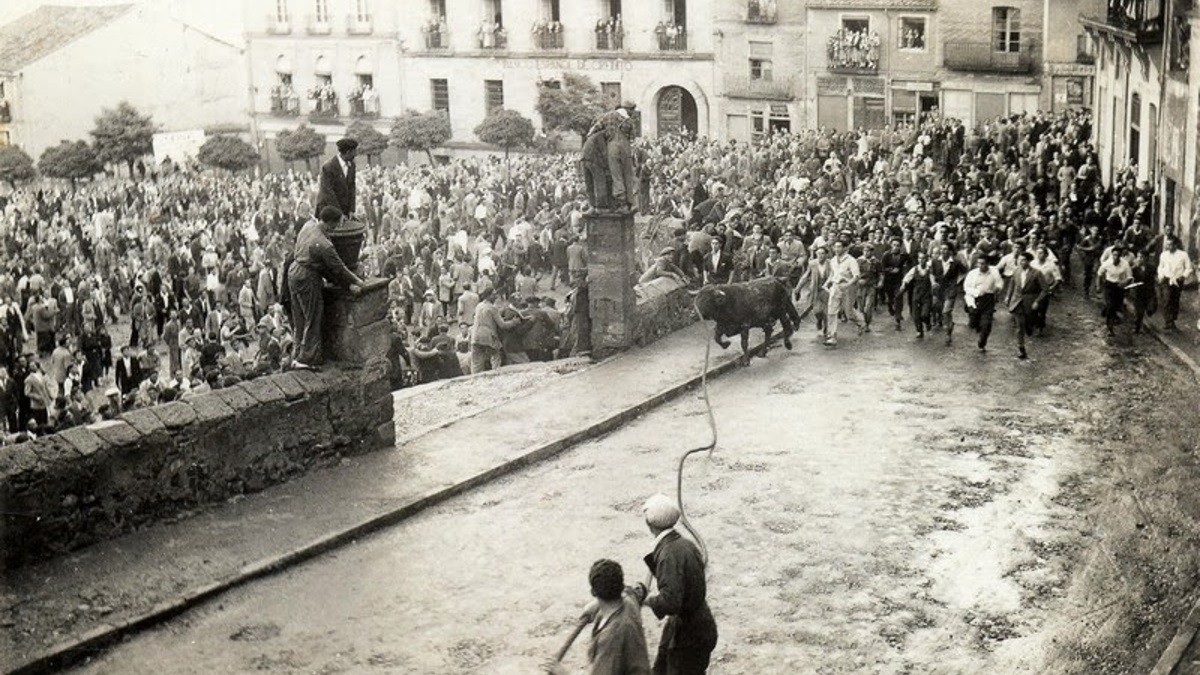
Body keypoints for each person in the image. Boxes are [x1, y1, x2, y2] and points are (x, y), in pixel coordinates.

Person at [636, 494, 718, 675]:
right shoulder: (684, 544)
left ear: (650, 525)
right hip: (692, 627)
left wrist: (646, 599)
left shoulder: (668, 554)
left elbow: (670, 602)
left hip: (688, 636)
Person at [287, 206, 366, 370]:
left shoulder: (308, 226)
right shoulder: (325, 244)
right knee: (314, 315)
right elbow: (340, 268)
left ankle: (297, 352)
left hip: (293, 271)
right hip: (307, 276)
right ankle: (307, 358)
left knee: (299, 316)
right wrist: (358, 281)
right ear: (332, 223)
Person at [543, 559, 652, 675]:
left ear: (593, 592)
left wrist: (563, 673)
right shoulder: (629, 602)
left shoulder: (610, 637)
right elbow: (631, 591)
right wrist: (596, 603)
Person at [1006, 251, 1049, 360]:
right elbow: (1012, 284)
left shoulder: (1037, 273)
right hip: (1017, 301)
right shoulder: (1016, 271)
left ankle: (1030, 327)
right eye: (1019, 260)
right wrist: (1008, 296)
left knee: (1029, 324)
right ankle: (1021, 348)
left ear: (1029, 261)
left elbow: (1045, 290)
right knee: (1019, 326)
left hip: (1030, 302)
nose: (1021, 262)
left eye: (1023, 260)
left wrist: (1037, 301)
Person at [469, 287, 523, 374]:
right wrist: (514, 322)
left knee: (476, 362)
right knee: (495, 356)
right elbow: (502, 325)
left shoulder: (479, 306)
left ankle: (474, 379)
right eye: (493, 294)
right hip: (488, 336)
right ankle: (495, 374)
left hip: (475, 335)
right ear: (488, 296)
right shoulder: (492, 308)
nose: (496, 296)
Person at [963, 255, 1004, 352]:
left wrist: (997, 288)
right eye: (979, 263)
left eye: (983, 263)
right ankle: (976, 324)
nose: (981, 266)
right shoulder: (972, 274)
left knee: (986, 323)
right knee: (974, 322)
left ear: (988, 264)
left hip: (988, 300)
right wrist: (976, 293)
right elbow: (966, 287)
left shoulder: (994, 272)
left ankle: (982, 341)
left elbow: (1000, 283)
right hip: (974, 299)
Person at [316, 138, 359, 221]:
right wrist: (339, 214)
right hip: (328, 212)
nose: (356, 154)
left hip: (344, 211)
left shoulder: (352, 166)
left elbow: (352, 188)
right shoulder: (328, 167)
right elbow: (329, 193)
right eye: (354, 152)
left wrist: (351, 210)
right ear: (348, 152)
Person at [1156, 237, 1193, 331]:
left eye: (1171, 244)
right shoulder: (1164, 255)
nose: (1169, 246)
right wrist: (1161, 276)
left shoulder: (1183, 255)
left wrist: (1184, 276)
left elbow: (1189, 268)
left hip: (1178, 281)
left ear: (1176, 245)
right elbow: (1160, 267)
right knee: (1167, 299)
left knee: (1175, 300)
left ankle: (1172, 320)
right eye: (1167, 244)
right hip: (1166, 280)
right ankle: (1168, 321)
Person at [1097, 244, 1133, 335]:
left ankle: (1109, 314)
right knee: (1110, 305)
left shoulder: (1125, 264)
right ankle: (1110, 327)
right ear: (1112, 255)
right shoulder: (1107, 263)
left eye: (1117, 255)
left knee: (1116, 306)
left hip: (1119, 287)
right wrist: (1098, 286)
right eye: (1114, 255)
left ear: (1120, 256)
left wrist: (1124, 283)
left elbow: (1130, 277)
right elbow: (1099, 274)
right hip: (1109, 285)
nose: (1115, 257)